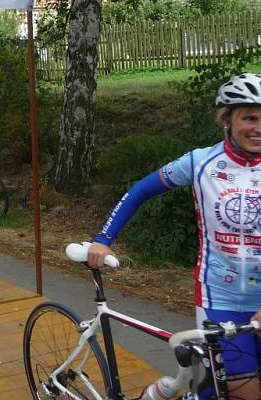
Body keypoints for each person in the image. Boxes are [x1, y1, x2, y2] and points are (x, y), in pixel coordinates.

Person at [87, 73, 261, 400]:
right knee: (244, 391)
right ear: (226, 119)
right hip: (220, 298)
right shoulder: (200, 163)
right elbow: (139, 191)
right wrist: (103, 238)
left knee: (212, 388)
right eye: (249, 118)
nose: (259, 128)